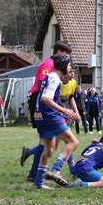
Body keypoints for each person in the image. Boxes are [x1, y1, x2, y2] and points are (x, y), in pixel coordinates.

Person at [21, 41, 71, 181]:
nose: (67, 59)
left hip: (44, 101)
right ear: (59, 52)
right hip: (41, 101)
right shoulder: (49, 64)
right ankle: (38, 173)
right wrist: (63, 109)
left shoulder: (52, 66)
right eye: (66, 55)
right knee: (49, 141)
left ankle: (35, 172)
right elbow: (45, 87)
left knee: (48, 141)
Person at [32, 54, 79, 190]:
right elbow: (46, 99)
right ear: (64, 66)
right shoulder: (54, 79)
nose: (70, 68)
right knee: (73, 142)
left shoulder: (50, 77)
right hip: (49, 117)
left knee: (49, 149)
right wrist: (65, 111)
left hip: (40, 116)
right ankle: (56, 170)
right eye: (69, 66)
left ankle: (39, 183)